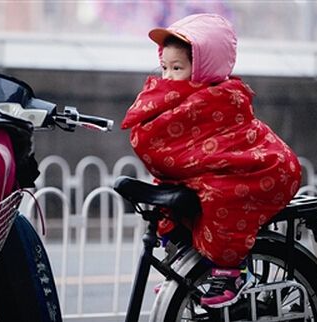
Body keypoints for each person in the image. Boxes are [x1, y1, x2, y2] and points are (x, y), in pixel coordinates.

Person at [121, 13, 301, 308]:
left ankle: (231, 270)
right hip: (211, 171)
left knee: (224, 197)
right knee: (177, 201)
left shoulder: (221, 99)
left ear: (204, 69)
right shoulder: (182, 97)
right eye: (164, 67)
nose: (167, 77)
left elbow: (218, 146)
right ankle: (188, 265)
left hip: (263, 169)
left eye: (177, 68)